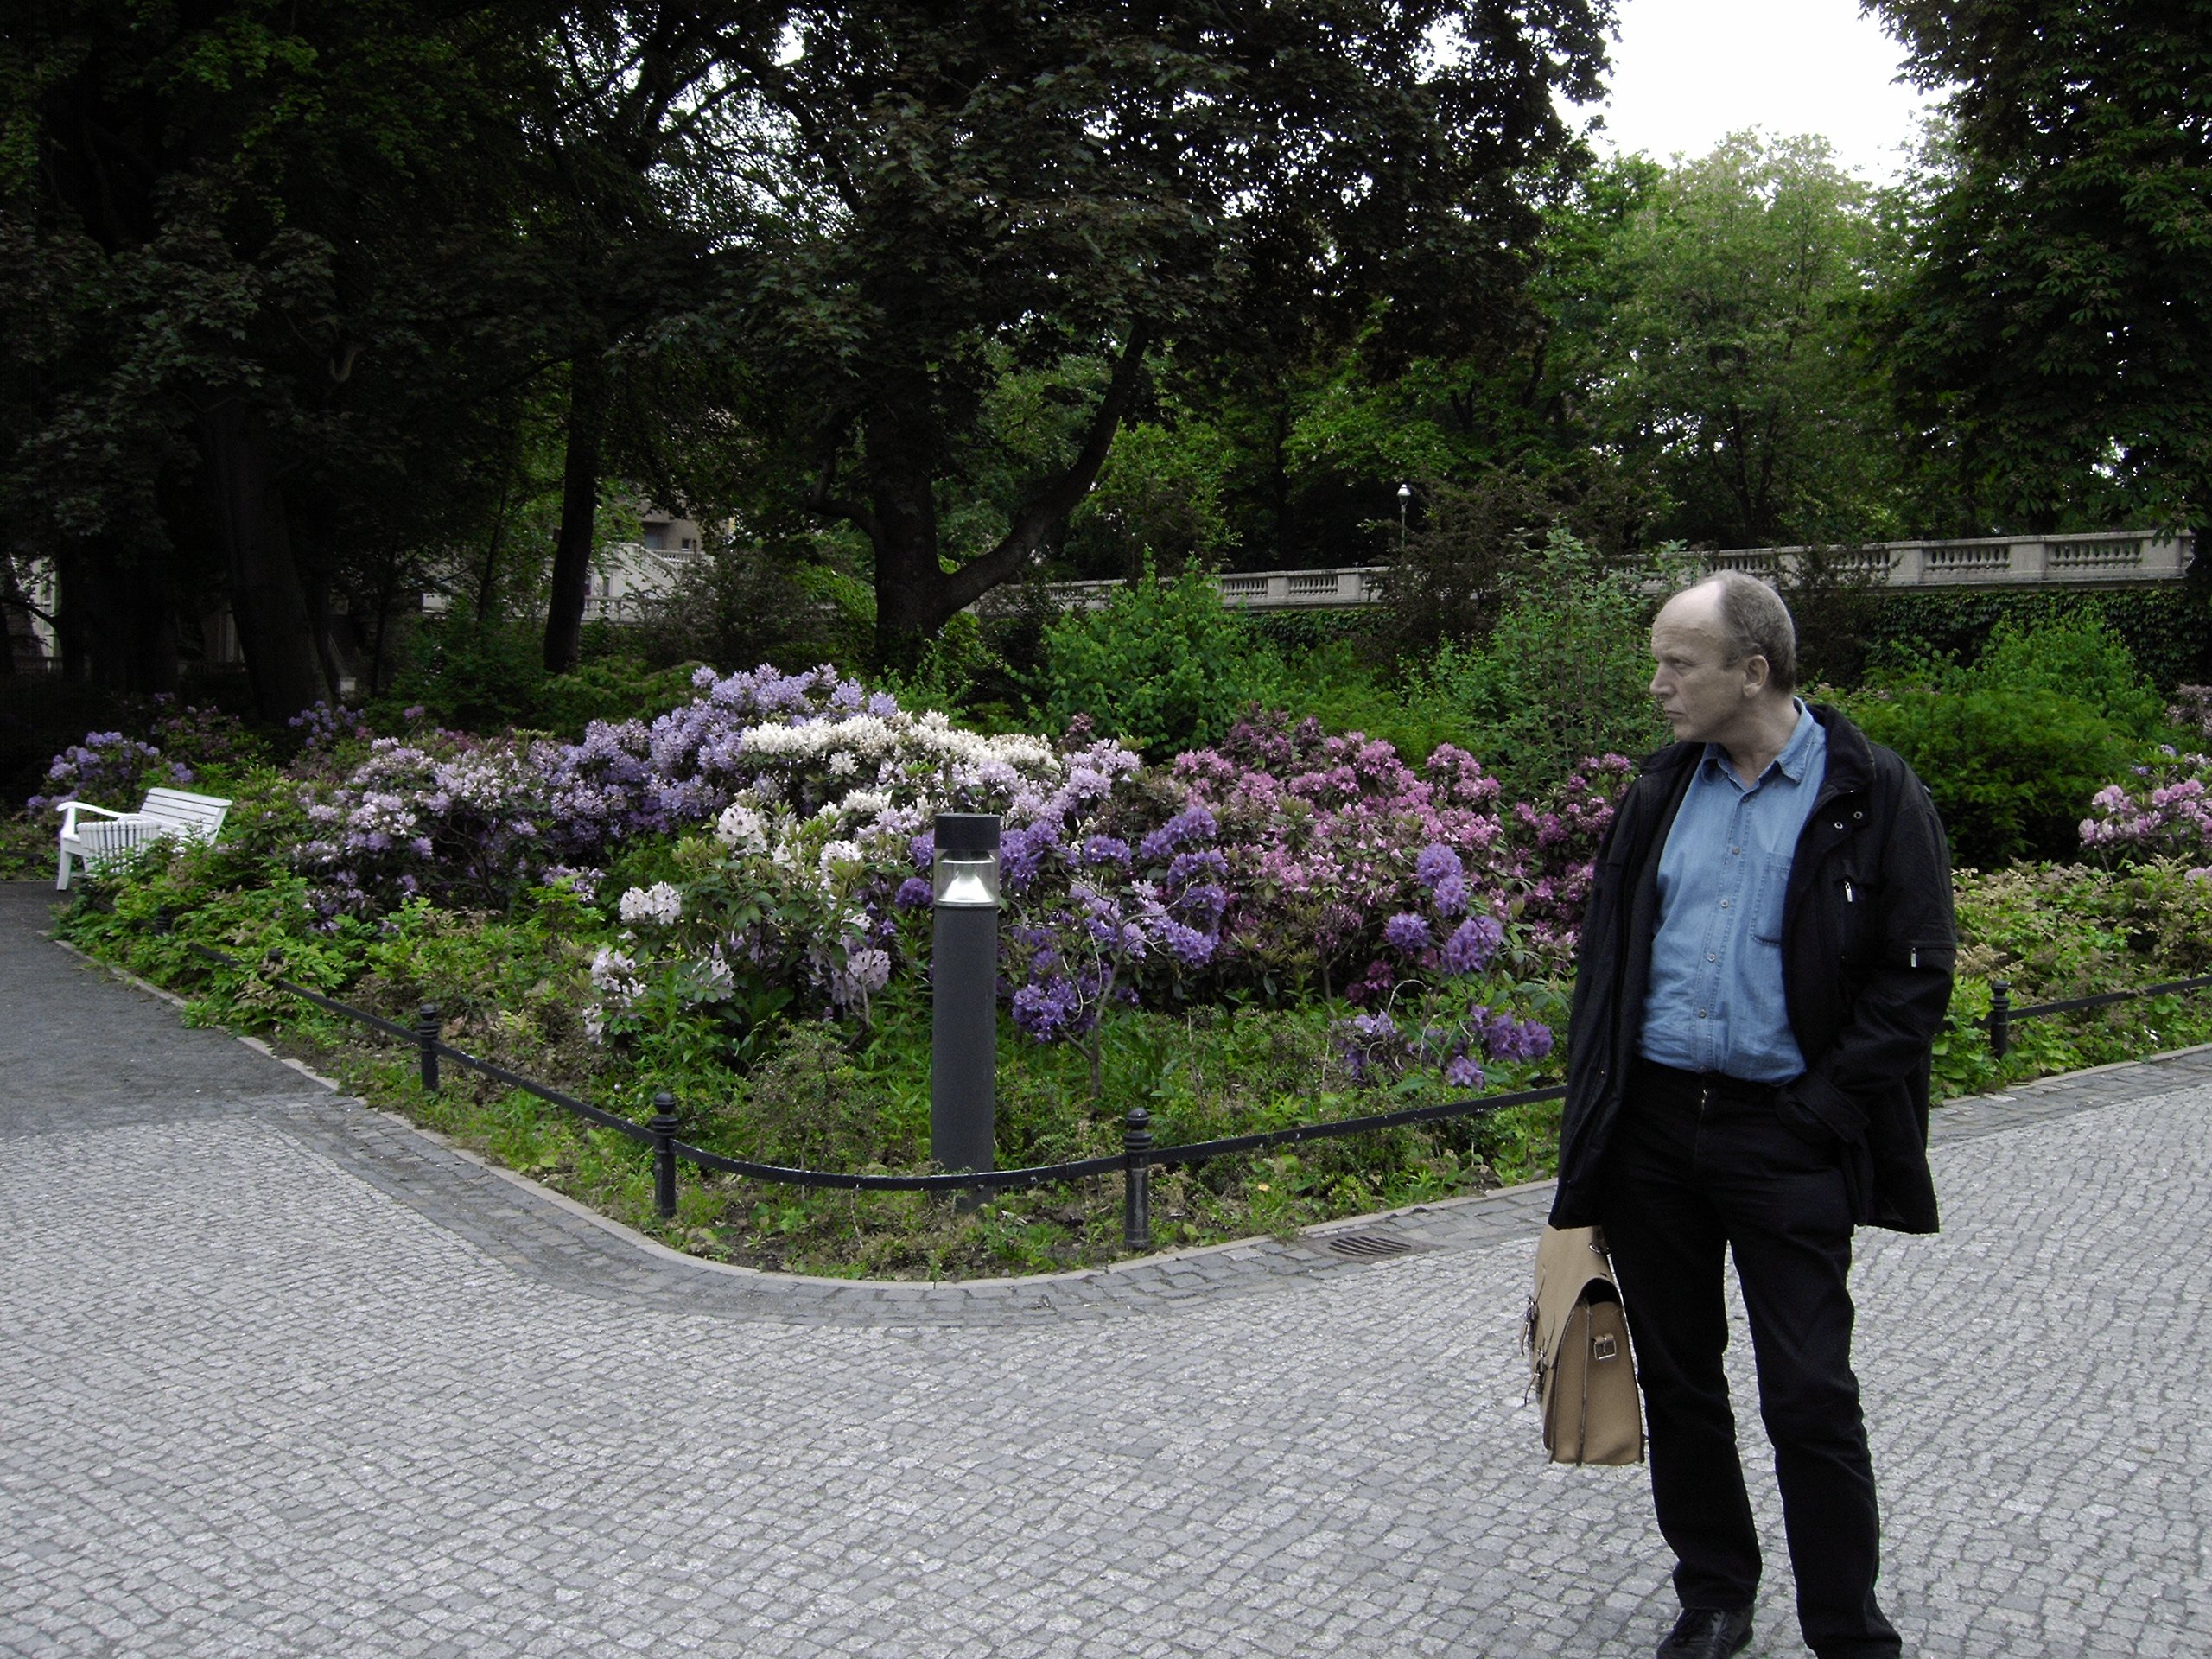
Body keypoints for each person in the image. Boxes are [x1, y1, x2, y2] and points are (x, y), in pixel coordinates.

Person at [1551, 573, 1955, 1659]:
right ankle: (1715, 1595)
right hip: (1653, 1139)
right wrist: (1597, 1122)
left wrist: (1820, 1115)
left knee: (1810, 1390)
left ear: (1753, 670)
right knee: (1682, 1383)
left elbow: (1915, 983)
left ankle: (1845, 1625)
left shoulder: (1873, 794)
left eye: (1677, 663)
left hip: (1785, 1136)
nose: (1657, 685)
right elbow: (1609, 965)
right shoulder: (1658, 792)